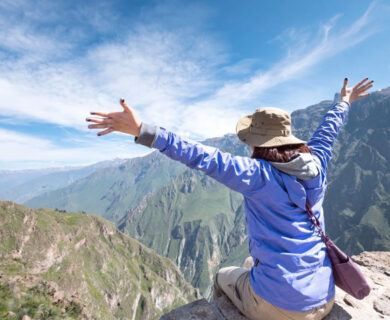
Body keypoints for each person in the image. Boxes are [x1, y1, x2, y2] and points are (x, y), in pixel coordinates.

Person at [86, 78, 373, 320]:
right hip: (324, 297)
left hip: (283, 308)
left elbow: (200, 156)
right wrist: (344, 102)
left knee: (224, 274)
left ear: (258, 142)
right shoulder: (317, 163)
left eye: (250, 139)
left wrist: (141, 130)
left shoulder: (256, 174)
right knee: (250, 264)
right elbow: (328, 132)